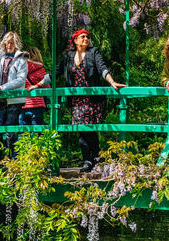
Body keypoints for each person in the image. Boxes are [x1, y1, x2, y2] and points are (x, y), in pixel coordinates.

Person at [54, 29, 126, 173]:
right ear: (75, 40)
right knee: (82, 130)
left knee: (88, 129)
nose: (86, 39)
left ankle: (91, 159)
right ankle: (92, 158)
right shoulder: (68, 56)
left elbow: (102, 68)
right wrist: (39, 84)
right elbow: (57, 71)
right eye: (82, 37)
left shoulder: (93, 53)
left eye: (87, 37)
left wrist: (111, 81)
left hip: (91, 98)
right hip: (76, 99)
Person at [0, 31, 28, 157]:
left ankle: (10, 158)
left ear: (16, 44)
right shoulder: (0, 58)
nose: (9, 45)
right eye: (7, 42)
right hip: (0, 99)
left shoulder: (21, 59)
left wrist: (2, 87)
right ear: (3, 43)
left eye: (12, 43)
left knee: (10, 129)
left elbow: (20, 79)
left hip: (14, 99)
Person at [21, 46, 49, 127]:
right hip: (37, 105)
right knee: (37, 134)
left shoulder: (20, 70)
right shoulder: (40, 69)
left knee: (23, 133)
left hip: (23, 104)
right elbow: (47, 88)